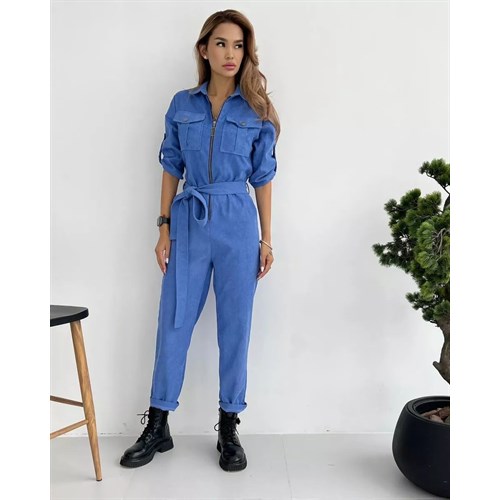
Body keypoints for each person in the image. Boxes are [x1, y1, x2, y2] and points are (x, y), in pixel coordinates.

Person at [120, 9, 279, 472]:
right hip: (189, 219)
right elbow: (171, 165)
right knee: (173, 321)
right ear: (204, 49)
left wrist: (267, 239)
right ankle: (158, 423)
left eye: (239, 45)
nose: (231, 53)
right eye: (222, 43)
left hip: (237, 222)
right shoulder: (182, 104)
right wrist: (163, 226)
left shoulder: (256, 110)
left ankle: (229, 426)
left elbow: (263, 177)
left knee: (236, 326)